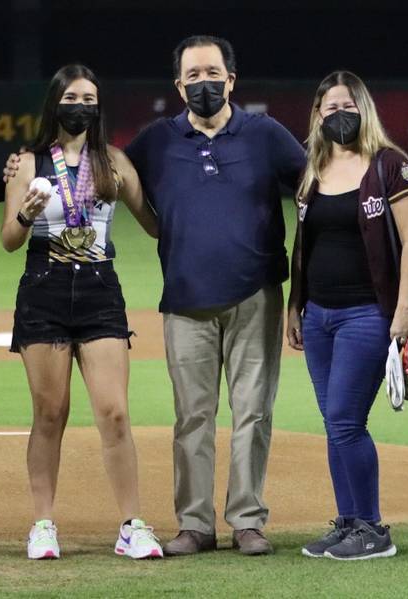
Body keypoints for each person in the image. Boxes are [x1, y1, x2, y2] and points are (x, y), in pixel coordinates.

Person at [118, 35, 305, 556]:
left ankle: (247, 519)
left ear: (232, 79)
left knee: (253, 412)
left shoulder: (264, 134)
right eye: (193, 76)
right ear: (178, 85)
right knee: (192, 417)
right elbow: (113, 175)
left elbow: (317, 186)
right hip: (184, 299)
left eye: (212, 73)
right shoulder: (157, 140)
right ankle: (195, 524)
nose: (204, 83)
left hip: (256, 295)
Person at [2, 64, 164, 560]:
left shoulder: (114, 161)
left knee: (114, 413)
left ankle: (132, 525)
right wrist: (27, 212)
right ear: (55, 103)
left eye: (90, 98)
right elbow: (9, 239)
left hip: (99, 291)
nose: (82, 105)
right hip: (44, 290)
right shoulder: (27, 164)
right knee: (50, 413)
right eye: (72, 96)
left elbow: (155, 225)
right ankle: (43, 524)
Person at [287, 71, 408, 560]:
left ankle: (372, 528)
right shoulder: (314, 168)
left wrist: (404, 309)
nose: (339, 114)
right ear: (318, 116)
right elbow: (305, 246)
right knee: (334, 423)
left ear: (363, 109)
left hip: (367, 314)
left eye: (348, 105)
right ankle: (348, 523)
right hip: (320, 314)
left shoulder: (389, 165)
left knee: (346, 420)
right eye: (330, 107)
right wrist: (295, 305)